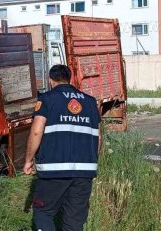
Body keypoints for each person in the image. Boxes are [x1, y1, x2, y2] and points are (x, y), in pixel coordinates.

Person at [23, 64, 101, 231]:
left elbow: (37, 132)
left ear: (50, 80)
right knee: (74, 221)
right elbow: (98, 137)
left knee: (43, 212)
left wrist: (28, 160)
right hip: (84, 171)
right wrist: (92, 161)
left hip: (54, 169)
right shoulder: (90, 102)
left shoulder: (47, 99)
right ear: (70, 79)